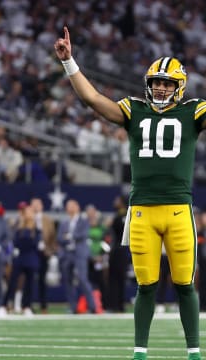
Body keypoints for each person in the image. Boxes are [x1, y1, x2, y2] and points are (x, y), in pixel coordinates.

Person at [55, 26, 203, 360]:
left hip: (179, 209)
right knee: (146, 286)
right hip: (142, 211)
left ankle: (194, 352)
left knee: (185, 285)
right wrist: (69, 63)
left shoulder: (193, 110)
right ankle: (139, 352)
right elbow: (93, 100)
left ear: (179, 87)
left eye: (166, 83)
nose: (161, 88)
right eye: (156, 83)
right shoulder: (134, 109)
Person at [0, 205, 41, 316]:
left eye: (31, 212)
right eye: (27, 212)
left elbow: (35, 244)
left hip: (31, 259)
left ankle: (26, 306)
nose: (29, 214)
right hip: (20, 259)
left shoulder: (36, 228)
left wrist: (26, 241)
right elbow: (16, 242)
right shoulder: (18, 226)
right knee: (12, 283)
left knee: (29, 285)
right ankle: (4, 306)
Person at [57, 199, 96, 314]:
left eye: (72, 206)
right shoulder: (64, 222)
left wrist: (69, 236)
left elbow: (83, 234)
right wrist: (71, 237)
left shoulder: (83, 221)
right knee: (68, 280)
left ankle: (92, 306)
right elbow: (59, 238)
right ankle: (73, 306)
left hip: (79, 253)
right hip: (67, 254)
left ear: (78, 207)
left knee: (83, 279)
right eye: (68, 206)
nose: (70, 208)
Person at [30, 197, 57, 313]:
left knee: (42, 280)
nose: (36, 207)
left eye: (38, 204)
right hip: (31, 252)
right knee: (29, 280)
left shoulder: (47, 220)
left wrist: (50, 251)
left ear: (41, 206)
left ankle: (43, 306)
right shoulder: (27, 218)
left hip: (43, 253)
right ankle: (28, 305)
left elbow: (53, 237)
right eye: (33, 205)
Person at [108, 194, 130, 312]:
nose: (115, 201)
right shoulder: (128, 215)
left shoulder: (119, 216)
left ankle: (114, 305)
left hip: (117, 250)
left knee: (115, 278)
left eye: (117, 200)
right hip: (124, 251)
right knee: (121, 278)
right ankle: (120, 305)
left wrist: (110, 224)